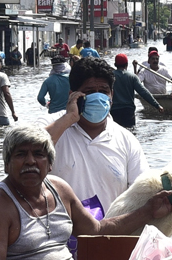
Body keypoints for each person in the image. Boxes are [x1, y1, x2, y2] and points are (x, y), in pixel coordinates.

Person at [0, 123, 172, 260]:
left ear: (50, 163)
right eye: (20, 154)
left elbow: (96, 230)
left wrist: (148, 211)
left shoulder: (59, 189)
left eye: (38, 154)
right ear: (7, 165)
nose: (30, 161)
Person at [45, 54, 147, 215]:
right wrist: (69, 118)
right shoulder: (52, 125)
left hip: (109, 234)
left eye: (103, 91)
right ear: (73, 94)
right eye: (90, 91)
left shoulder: (127, 141)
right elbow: (23, 156)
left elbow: (141, 195)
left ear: (111, 95)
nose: (98, 97)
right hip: (58, 235)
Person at [106, 53, 162, 128]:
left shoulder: (109, 77)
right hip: (128, 111)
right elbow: (143, 92)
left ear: (115, 64)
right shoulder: (132, 77)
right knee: (130, 134)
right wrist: (157, 105)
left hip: (114, 111)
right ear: (127, 64)